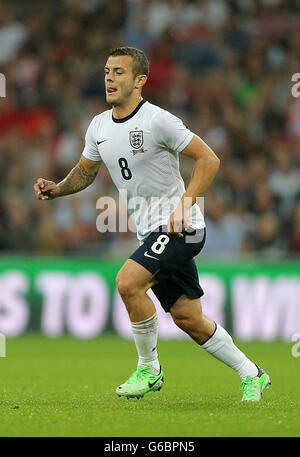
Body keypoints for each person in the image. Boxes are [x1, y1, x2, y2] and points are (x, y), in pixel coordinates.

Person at [34, 46, 270, 402]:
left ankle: (150, 368)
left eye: (119, 72)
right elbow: (85, 172)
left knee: (128, 282)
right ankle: (252, 373)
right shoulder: (98, 125)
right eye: (107, 71)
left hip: (182, 228)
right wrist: (58, 189)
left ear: (140, 80)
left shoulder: (158, 120)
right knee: (189, 318)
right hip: (152, 233)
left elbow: (209, 159)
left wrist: (184, 204)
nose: (109, 78)